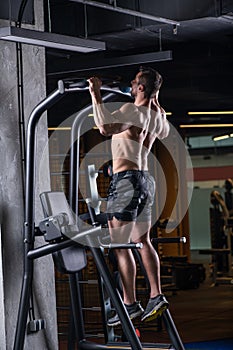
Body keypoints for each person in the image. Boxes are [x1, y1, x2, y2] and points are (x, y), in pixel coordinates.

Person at [88, 66, 170, 327]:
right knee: (143, 241)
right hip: (146, 180)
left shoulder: (131, 110)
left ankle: (129, 303)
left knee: (120, 246)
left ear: (141, 88)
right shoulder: (158, 114)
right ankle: (156, 295)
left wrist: (96, 93)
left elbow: (104, 127)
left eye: (134, 83)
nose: (131, 86)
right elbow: (164, 134)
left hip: (126, 181)